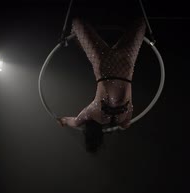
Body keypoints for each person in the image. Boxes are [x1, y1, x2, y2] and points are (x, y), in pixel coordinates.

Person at [58, 17, 146, 152]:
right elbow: (75, 121)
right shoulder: (92, 113)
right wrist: (63, 120)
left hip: (126, 64)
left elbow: (126, 124)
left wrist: (120, 125)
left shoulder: (124, 117)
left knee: (141, 23)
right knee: (76, 23)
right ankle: (77, 37)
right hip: (104, 65)